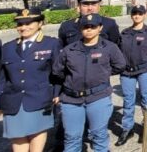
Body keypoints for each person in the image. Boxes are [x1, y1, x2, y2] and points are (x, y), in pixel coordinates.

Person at [53, 13, 126, 152]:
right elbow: (57, 71)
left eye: (93, 26)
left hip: (98, 97)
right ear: (80, 28)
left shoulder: (109, 47)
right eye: (85, 26)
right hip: (72, 100)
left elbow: (120, 65)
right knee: (72, 138)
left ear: (100, 28)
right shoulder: (70, 49)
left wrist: (101, 74)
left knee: (99, 136)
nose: (89, 29)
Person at [0, 9, 57, 152]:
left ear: (40, 23)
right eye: (20, 24)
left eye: (29, 23)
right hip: (12, 100)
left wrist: (56, 94)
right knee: (17, 138)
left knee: (37, 136)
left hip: (39, 99)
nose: (23, 27)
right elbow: (2, 77)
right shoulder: (8, 47)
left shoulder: (51, 44)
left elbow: (57, 73)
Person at [116, 5, 147, 146]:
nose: (137, 16)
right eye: (134, 13)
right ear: (131, 16)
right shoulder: (124, 33)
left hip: (144, 71)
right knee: (128, 100)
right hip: (127, 72)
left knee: (145, 97)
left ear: (144, 15)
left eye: (139, 14)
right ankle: (127, 128)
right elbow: (118, 51)